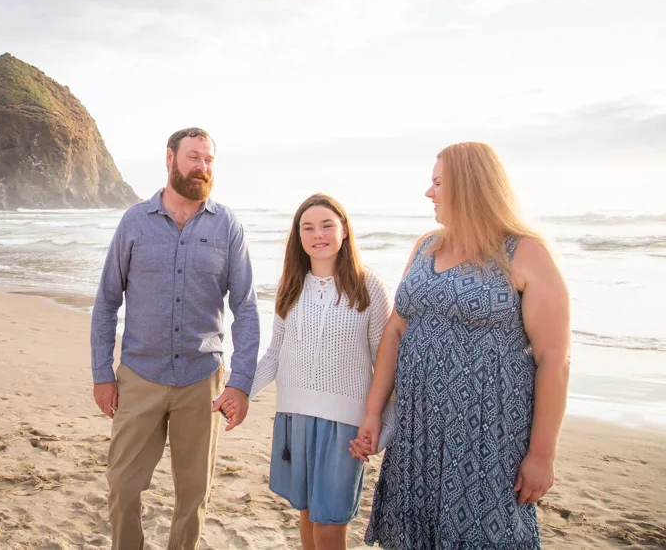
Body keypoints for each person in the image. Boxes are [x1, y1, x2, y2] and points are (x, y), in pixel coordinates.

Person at [350, 142, 571, 549]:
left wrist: (542, 455)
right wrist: (373, 412)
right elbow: (396, 331)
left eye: (437, 183)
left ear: (469, 186)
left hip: (488, 436)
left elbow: (554, 359)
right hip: (417, 431)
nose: (428, 192)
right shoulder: (426, 246)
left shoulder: (525, 252)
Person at [90, 127, 261, 550]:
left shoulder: (227, 227)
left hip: (202, 382)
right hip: (140, 376)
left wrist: (240, 381)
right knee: (124, 487)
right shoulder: (134, 221)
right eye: (194, 157)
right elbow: (108, 300)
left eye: (209, 160)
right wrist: (101, 374)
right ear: (170, 159)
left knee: (193, 495)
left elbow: (246, 307)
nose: (202, 167)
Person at [248, 193, 392, 550]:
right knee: (308, 516)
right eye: (308, 228)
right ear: (299, 237)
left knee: (330, 525)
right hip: (294, 417)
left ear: (344, 230)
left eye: (327, 225)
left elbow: (386, 364)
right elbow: (274, 355)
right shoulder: (292, 285)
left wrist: (384, 429)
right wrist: (238, 392)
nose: (318, 235)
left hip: (344, 426)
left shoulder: (368, 285)